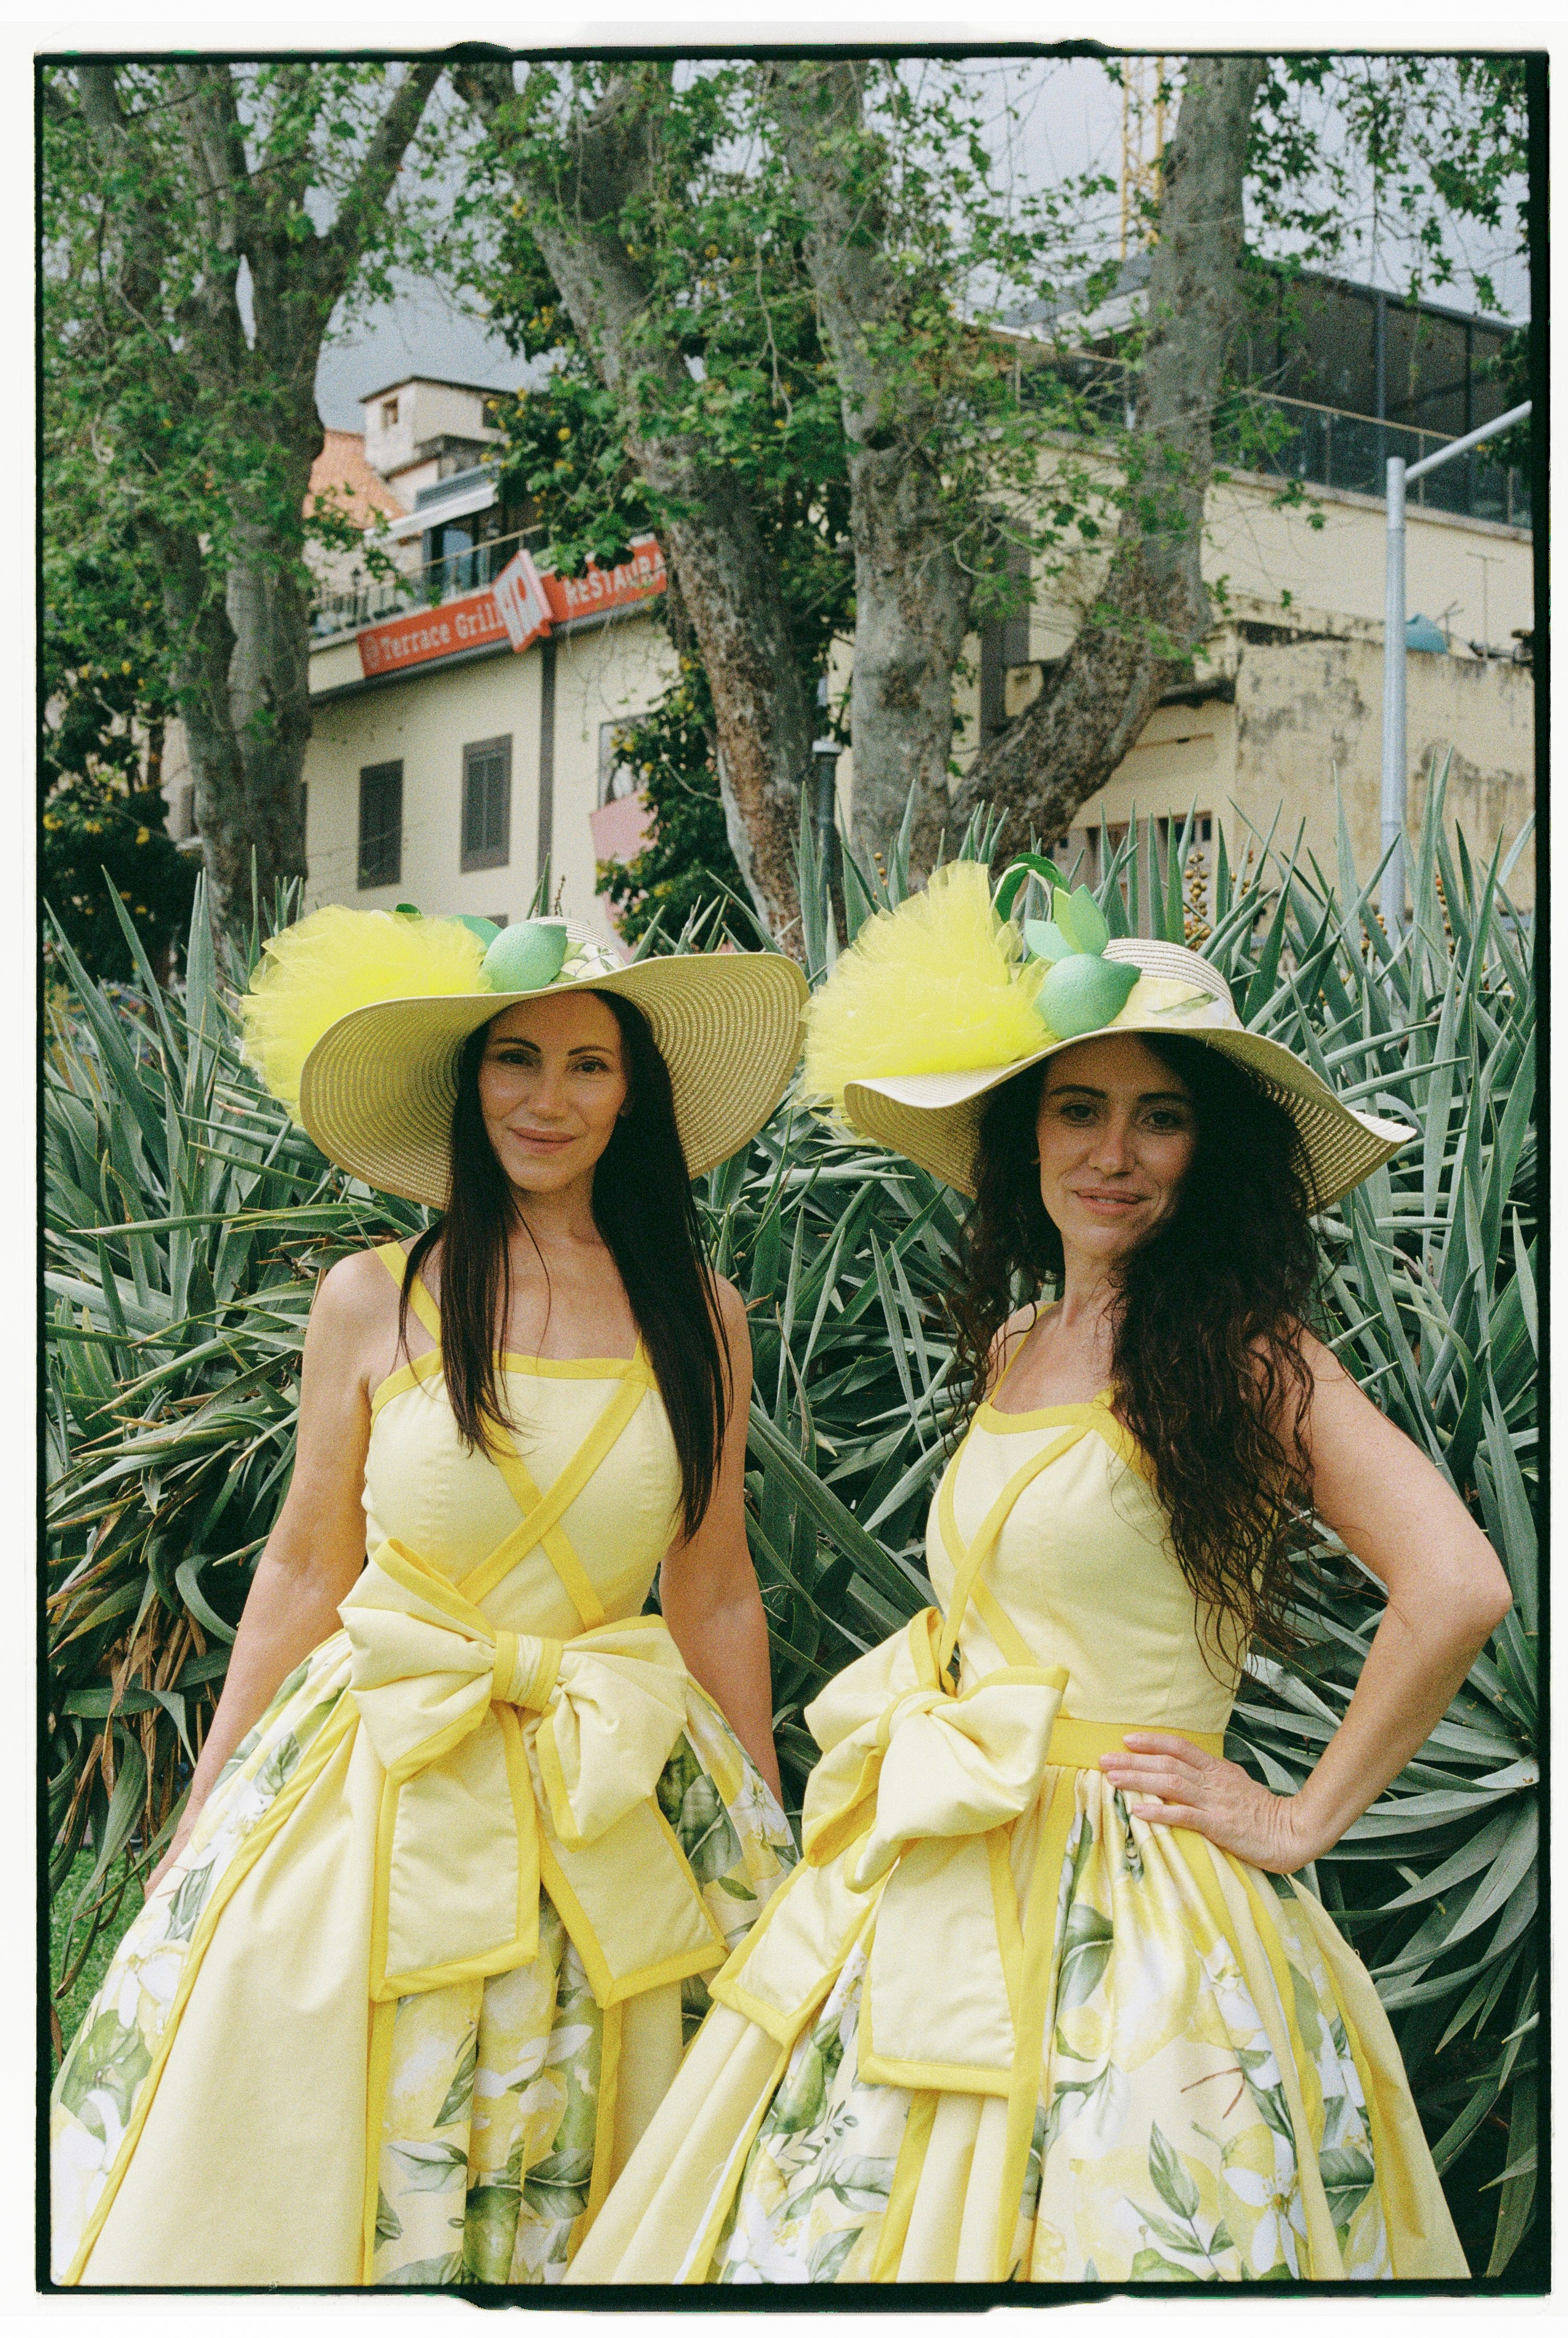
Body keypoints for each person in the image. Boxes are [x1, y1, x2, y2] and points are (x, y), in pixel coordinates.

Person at [568, 859, 1508, 2286]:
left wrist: (1301, 1814)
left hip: (1135, 1896)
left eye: (1160, 1116)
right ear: (1026, 1134)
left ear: (1215, 1154)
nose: (1111, 1152)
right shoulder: (1018, 1345)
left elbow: (1457, 1580)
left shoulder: (1250, 1356)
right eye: (1077, 1108)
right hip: (949, 1846)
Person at [51, 905, 809, 2287]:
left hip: (615, 1778)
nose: (548, 1098)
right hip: (379, 1763)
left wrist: (769, 1831)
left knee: (626, 2150)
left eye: (589, 1065)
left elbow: (712, 1594)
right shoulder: (373, 1298)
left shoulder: (699, 1315)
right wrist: (207, 1807)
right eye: (514, 1059)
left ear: (633, 1092)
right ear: (469, 1086)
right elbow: (301, 1567)